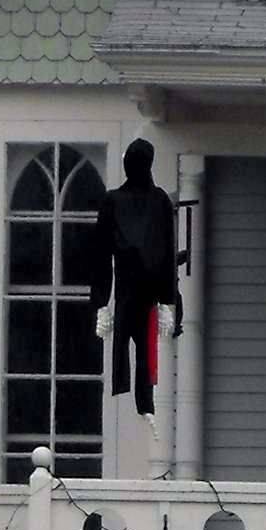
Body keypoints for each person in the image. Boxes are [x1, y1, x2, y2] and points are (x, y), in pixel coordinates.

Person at [85, 139, 185, 416]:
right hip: (134, 287)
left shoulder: (155, 200)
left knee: (145, 352)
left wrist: (168, 301)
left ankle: (146, 404)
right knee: (137, 350)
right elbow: (102, 254)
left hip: (142, 289)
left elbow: (166, 254)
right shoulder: (123, 200)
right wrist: (101, 302)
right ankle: (142, 401)